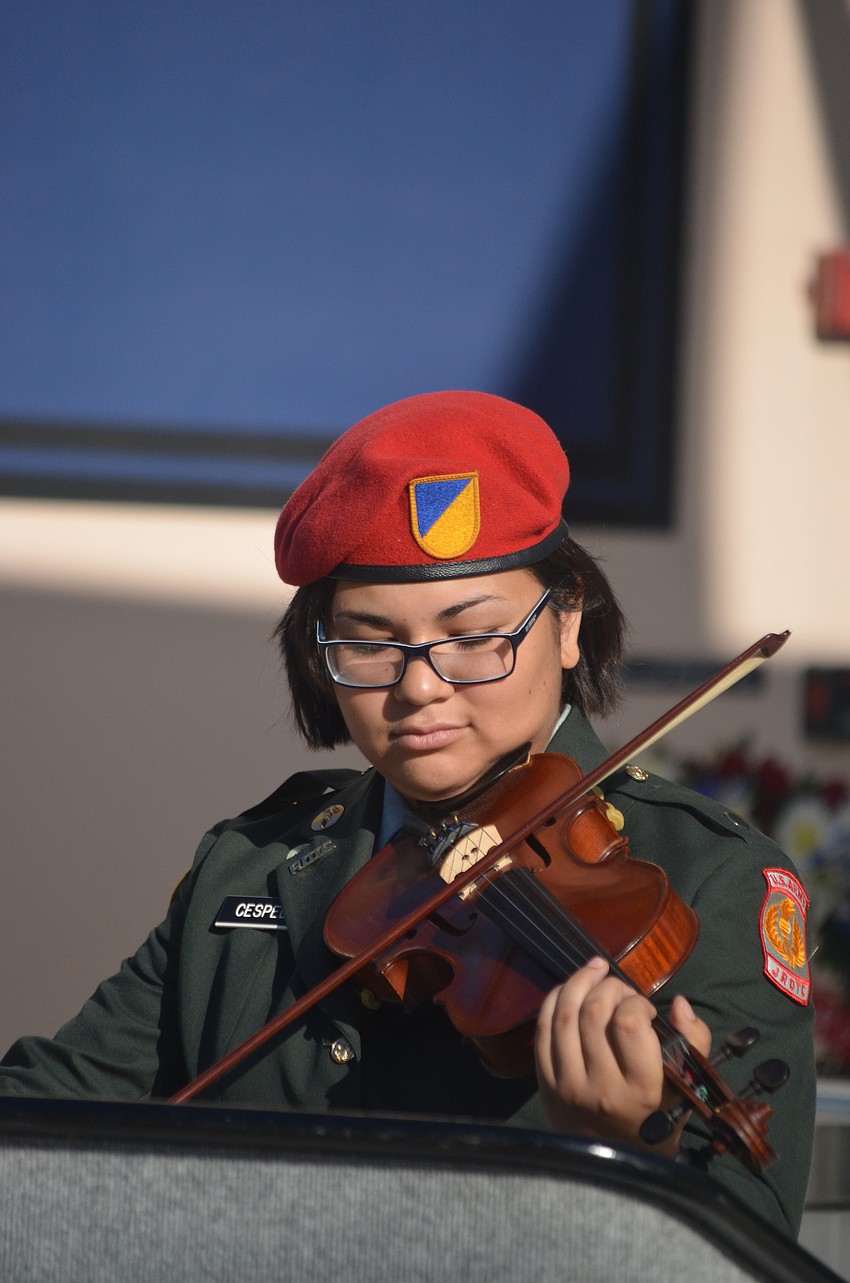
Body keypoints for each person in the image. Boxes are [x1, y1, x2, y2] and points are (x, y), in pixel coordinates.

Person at [0, 392, 815, 1237]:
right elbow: (46, 1111)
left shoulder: (703, 877)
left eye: (473, 636)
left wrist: (620, 1167)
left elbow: (747, 1233)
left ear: (568, 621)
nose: (419, 686)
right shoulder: (247, 867)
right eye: (370, 643)